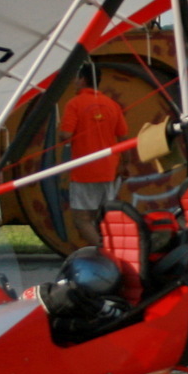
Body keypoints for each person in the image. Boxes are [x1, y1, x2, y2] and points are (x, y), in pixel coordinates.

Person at [60, 63, 130, 248]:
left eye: (77, 78)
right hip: (109, 169)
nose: (75, 81)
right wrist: (125, 164)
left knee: (82, 219)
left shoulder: (74, 103)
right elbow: (123, 138)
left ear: (82, 80)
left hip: (85, 170)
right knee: (104, 215)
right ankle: (115, 248)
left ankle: (105, 251)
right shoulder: (111, 104)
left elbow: (66, 135)